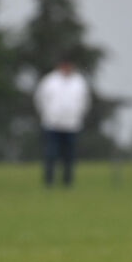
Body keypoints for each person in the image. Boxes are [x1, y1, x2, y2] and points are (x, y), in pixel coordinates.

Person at [34, 57, 91, 187]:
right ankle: (49, 181)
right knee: (51, 153)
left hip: (72, 124)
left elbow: (85, 101)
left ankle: (67, 182)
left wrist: (78, 114)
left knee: (69, 155)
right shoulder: (49, 81)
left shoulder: (79, 82)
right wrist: (47, 114)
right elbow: (40, 99)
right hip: (52, 123)